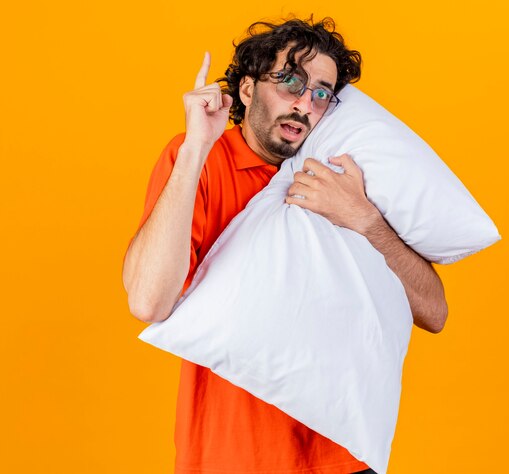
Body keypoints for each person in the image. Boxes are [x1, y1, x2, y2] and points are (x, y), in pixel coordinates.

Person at [122, 15, 448, 474]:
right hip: (232, 456)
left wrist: (364, 219)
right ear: (249, 89)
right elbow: (148, 301)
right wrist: (196, 145)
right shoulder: (200, 160)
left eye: (321, 93)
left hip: (340, 460)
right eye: (290, 80)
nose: (304, 103)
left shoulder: (347, 180)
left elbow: (434, 312)